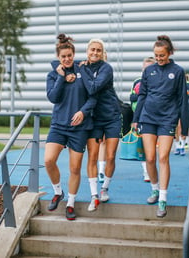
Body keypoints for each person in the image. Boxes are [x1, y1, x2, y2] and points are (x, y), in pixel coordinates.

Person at [132, 35, 189, 218]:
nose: (158, 58)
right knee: (150, 158)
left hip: (168, 119)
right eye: (156, 55)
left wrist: (185, 127)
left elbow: (182, 100)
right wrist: (136, 119)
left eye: (162, 55)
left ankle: (163, 199)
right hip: (148, 118)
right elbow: (142, 96)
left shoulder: (178, 71)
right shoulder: (149, 71)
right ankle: (155, 189)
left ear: (169, 53)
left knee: (163, 157)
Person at [44, 33, 97, 220]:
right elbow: (53, 97)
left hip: (80, 128)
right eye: (63, 56)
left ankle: (71, 203)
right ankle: (58, 192)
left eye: (69, 55)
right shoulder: (53, 74)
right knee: (49, 161)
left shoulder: (84, 70)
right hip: (59, 125)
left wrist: (83, 112)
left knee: (75, 168)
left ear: (74, 54)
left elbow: (93, 96)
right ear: (58, 58)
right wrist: (60, 77)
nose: (67, 59)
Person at [79, 38, 122, 212]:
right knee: (92, 157)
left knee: (110, 156)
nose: (95, 53)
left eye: (98, 50)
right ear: (87, 51)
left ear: (102, 53)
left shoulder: (106, 68)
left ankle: (105, 188)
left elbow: (93, 88)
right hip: (93, 119)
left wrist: (81, 69)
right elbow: (57, 62)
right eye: (92, 50)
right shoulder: (81, 65)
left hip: (111, 116)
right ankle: (94, 195)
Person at [130, 56, 156, 182]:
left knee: (156, 150)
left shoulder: (158, 81)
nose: (146, 70)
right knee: (144, 146)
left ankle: (154, 172)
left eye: (149, 68)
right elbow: (132, 97)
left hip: (156, 118)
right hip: (141, 116)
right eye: (144, 68)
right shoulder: (137, 82)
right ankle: (146, 171)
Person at [173, 73, 189, 156]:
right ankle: (177, 145)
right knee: (176, 127)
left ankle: (183, 145)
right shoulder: (174, 84)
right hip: (175, 107)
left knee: (183, 126)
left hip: (185, 108)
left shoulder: (188, 85)